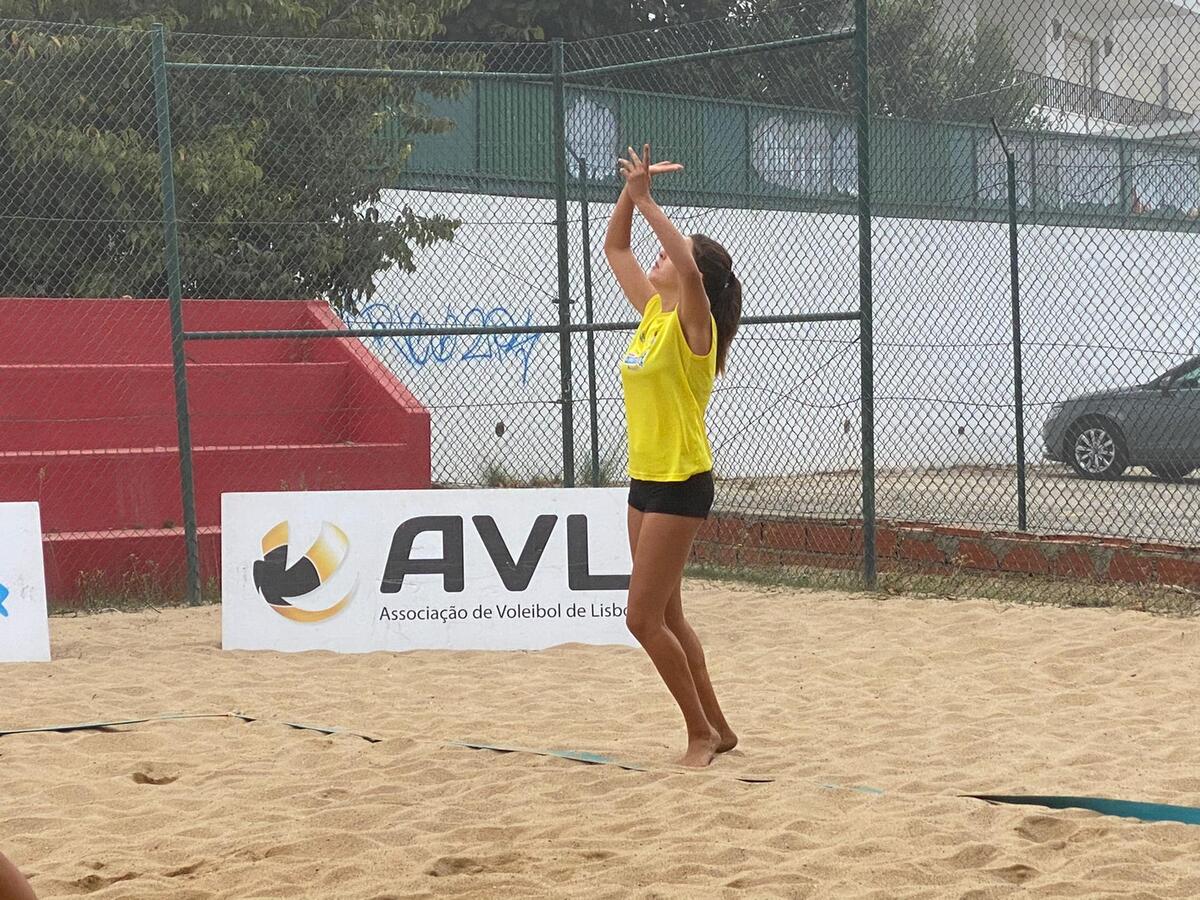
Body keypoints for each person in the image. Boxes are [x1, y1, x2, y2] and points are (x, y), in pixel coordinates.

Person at [606, 143, 743, 768]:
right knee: (668, 615)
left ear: (699, 286)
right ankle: (720, 726)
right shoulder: (654, 315)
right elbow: (617, 250)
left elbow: (686, 266)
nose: (661, 257)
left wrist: (648, 201)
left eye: (672, 253)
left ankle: (698, 735)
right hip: (645, 480)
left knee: (640, 619)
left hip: (682, 481)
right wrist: (629, 194)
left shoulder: (695, 324)